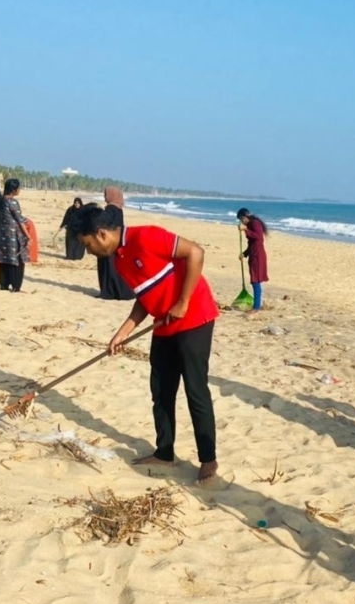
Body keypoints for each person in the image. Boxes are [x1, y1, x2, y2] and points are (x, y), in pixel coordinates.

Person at [72, 203, 220, 485]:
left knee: (195, 390)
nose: (88, 251)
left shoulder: (146, 237)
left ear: (101, 234)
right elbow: (146, 295)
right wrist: (124, 331)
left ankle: (208, 460)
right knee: (161, 391)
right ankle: (165, 453)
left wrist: (183, 301)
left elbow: (196, 253)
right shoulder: (119, 259)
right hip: (163, 324)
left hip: (194, 318)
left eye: (87, 244)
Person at [0, 178, 30, 291]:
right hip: (12, 234)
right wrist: (27, 235)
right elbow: (19, 220)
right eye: (18, 188)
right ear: (13, 190)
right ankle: (16, 285)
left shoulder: (0, 200)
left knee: (4, 258)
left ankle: (4, 284)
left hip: (1, 233)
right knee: (16, 259)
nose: (19, 190)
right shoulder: (12, 202)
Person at [96, 186, 135, 300]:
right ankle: (114, 291)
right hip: (116, 241)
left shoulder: (110, 209)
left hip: (107, 242)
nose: (105, 196)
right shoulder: (118, 209)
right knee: (114, 267)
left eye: (106, 194)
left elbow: (104, 223)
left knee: (108, 267)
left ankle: (108, 292)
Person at [236, 208, 269, 311]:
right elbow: (251, 243)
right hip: (253, 254)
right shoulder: (251, 225)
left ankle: (256, 307)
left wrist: (245, 229)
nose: (241, 222)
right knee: (255, 280)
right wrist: (244, 254)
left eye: (241, 219)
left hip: (258, 255)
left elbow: (258, 238)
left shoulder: (255, 223)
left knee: (256, 280)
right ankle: (257, 304)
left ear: (244, 217)